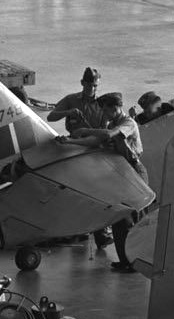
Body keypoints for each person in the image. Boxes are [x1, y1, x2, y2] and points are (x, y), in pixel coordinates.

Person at [57, 93, 144, 272]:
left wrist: (85, 130)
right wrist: (70, 141)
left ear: (115, 108)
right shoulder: (112, 124)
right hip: (122, 174)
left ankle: (136, 261)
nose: (104, 114)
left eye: (105, 110)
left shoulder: (128, 123)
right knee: (119, 219)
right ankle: (125, 260)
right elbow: (96, 141)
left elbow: (109, 134)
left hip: (135, 172)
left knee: (131, 220)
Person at [48, 67, 107, 133]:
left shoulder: (103, 104)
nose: (92, 89)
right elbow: (50, 117)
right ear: (82, 83)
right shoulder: (70, 99)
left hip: (94, 138)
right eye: (89, 85)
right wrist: (68, 112)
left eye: (95, 86)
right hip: (73, 138)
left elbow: (105, 130)